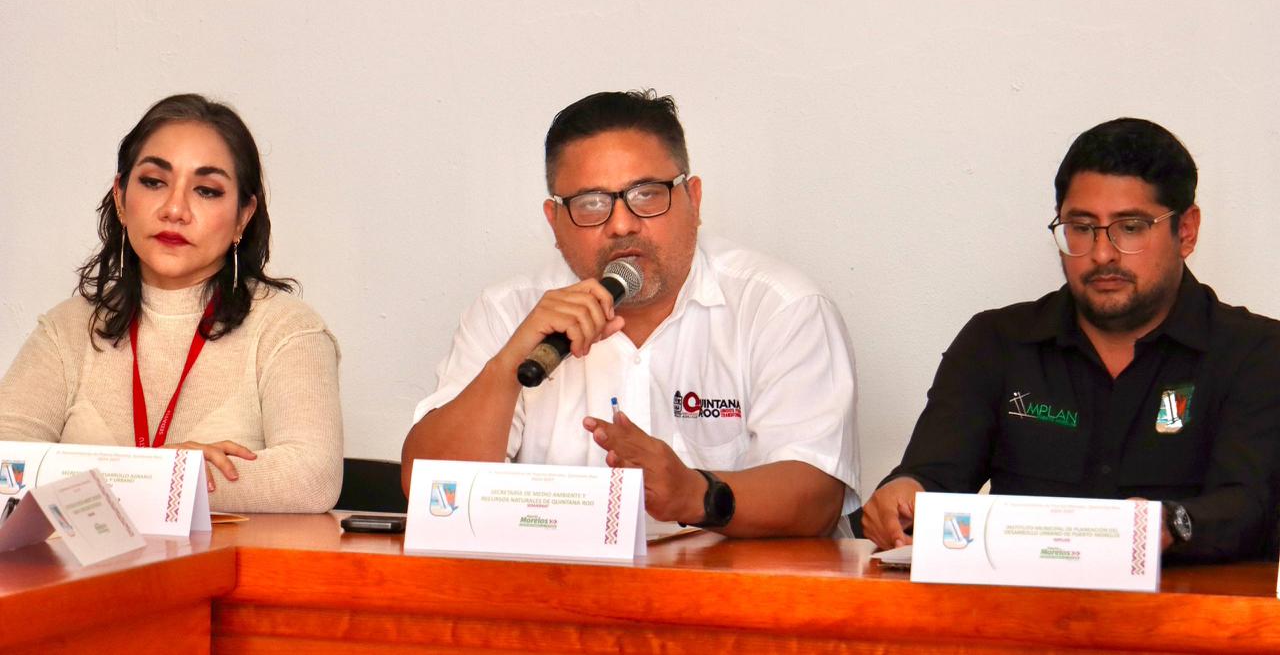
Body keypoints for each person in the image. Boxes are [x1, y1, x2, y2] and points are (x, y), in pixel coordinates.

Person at [402, 91, 859, 537]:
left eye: (647, 194)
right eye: (591, 204)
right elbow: (432, 494)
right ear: (554, 222)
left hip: (729, 585)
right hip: (555, 583)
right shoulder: (505, 311)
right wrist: (507, 366)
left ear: (694, 199)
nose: (621, 224)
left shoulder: (779, 307)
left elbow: (817, 497)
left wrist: (694, 494)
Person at [858, 118, 1280, 561]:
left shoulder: (1255, 353)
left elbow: (1251, 507)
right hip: (1019, 602)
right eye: (1081, 227)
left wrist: (1169, 525)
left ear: (1186, 231)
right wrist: (902, 496)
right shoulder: (998, 343)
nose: (1102, 253)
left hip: (1194, 603)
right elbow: (932, 480)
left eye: (1130, 227)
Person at [0, 94, 343, 513]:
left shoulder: (287, 329)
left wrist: (108, 480)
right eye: (153, 182)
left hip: (226, 560)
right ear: (121, 197)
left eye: (207, 190)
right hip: (82, 558)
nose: (175, 209)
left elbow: (312, 479)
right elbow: (5, 464)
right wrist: (164, 474)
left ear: (243, 215)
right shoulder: (67, 328)